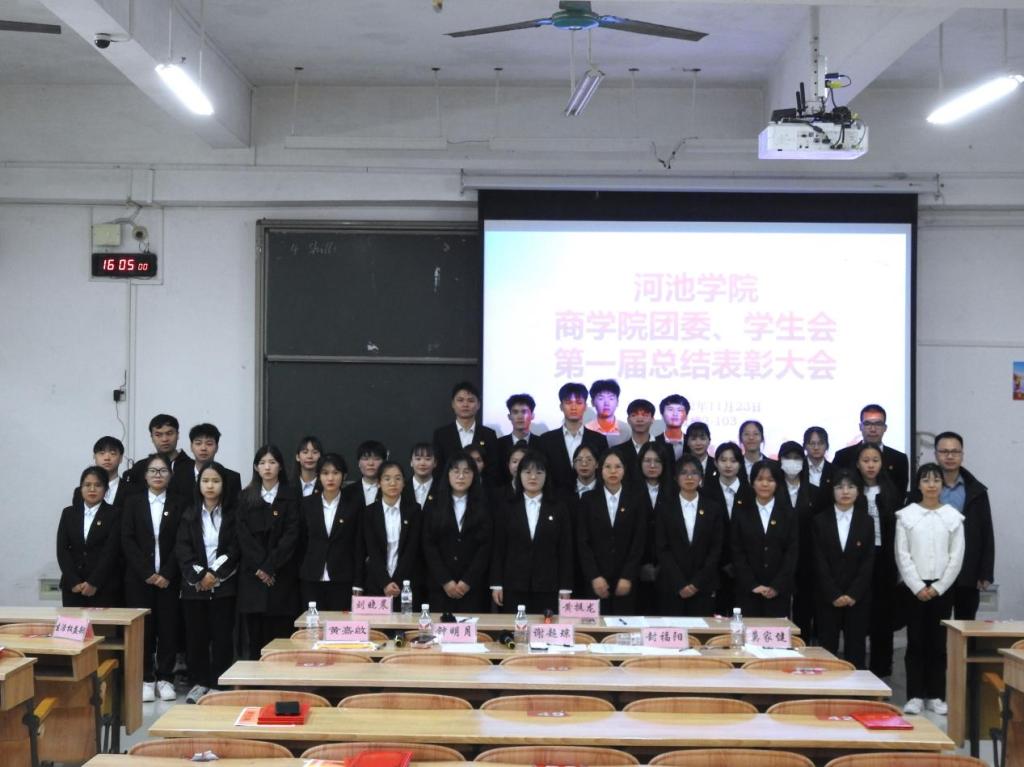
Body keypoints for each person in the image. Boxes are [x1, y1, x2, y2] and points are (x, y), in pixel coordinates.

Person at [896, 463, 965, 716]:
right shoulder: (906, 516)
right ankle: (914, 695)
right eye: (926, 480)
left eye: (936, 480)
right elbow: (902, 554)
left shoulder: (953, 517)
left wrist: (938, 587)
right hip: (914, 588)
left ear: (942, 485)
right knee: (915, 642)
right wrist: (917, 586)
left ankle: (936, 695)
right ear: (918, 485)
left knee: (938, 644)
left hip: (942, 589)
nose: (932, 485)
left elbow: (956, 556)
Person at [121, 454, 183, 702]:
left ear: (170, 475)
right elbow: (127, 539)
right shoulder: (133, 502)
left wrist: (166, 573)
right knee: (143, 631)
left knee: (168, 629)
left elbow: (183, 540)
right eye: (153, 471)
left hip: (169, 579)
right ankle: (146, 678)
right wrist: (147, 573)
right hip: (139, 580)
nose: (158, 475)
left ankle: (166, 678)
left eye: (163, 471)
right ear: (145, 476)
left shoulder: (179, 503)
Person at [175, 461, 239, 703]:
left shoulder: (233, 515)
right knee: (196, 638)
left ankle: (219, 685)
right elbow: (183, 550)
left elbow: (234, 549)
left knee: (222, 638)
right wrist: (201, 576)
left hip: (224, 588)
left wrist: (214, 574)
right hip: (194, 588)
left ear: (223, 484)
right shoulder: (189, 514)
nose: (210, 486)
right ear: (199, 484)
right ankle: (199, 683)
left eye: (215, 481)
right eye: (205, 481)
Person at [236, 445, 301, 660]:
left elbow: (292, 535)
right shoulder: (245, 496)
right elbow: (243, 536)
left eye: (272, 462)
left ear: (280, 466)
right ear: (256, 467)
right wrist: (261, 567)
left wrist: (270, 566)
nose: (267, 467)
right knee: (255, 638)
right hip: (253, 577)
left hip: (281, 575)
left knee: (281, 638)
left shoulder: (291, 496)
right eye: (262, 463)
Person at [491, 450, 574, 613]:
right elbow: (498, 548)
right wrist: (496, 584)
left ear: (546, 476)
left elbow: (565, 549)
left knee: (545, 627)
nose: (533, 477)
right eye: (527, 472)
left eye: (539, 472)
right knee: (515, 627)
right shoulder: (507, 507)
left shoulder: (559, 508)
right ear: (519, 475)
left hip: (548, 585)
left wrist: (565, 587)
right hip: (513, 584)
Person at [812, 467, 875, 669]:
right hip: (827, 596)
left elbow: (868, 561)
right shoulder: (820, 520)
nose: (845, 492)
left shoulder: (867, 521)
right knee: (827, 649)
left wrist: (853, 593)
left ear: (859, 490)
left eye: (851, 487)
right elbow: (819, 560)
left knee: (856, 648)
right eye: (840, 487)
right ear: (832, 490)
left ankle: (855, 687)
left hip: (857, 598)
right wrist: (833, 593)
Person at [853, 442, 903, 678]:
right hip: (857, 559)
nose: (870, 465)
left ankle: (881, 668)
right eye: (865, 460)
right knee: (859, 613)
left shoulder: (891, 491)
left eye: (875, 460)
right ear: (858, 464)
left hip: (885, 559)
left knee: (883, 614)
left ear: (882, 464)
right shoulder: (851, 490)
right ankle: (856, 667)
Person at [933, 431, 994, 620]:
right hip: (934, 570)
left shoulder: (976, 490)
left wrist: (985, 572)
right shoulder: (924, 487)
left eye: (955, 451)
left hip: (968, 569)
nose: (950, 456)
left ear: (962, 455)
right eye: (944, 451)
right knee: (935, 626)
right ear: (936, 455)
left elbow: (986, 532)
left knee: (966, 625)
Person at [576, 450, 646, 615]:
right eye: (608, 467)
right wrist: (594, 576)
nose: (613, 471)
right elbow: (582, 541)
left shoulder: (636, 499)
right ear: (600, 469)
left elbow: (639, 540)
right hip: (596, 579)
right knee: (595, 625)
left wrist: (628, 576)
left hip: (626, 580)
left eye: (617, 467)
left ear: (624, 469)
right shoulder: (588, 499)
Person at [422, 452, 492, 612]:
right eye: (456, 471)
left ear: (474, 475)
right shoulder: (434, 505)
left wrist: (467, 581)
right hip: (440, 587)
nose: (461, 476)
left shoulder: (484, 505)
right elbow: (428, 545)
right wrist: (446, 581)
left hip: (474, 588)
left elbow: (486, 547)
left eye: (466, 472)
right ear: (447, 474)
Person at [657, 455, 725, 616]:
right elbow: (662, 548)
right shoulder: (665, 508)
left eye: (694, 473)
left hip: (704, 586)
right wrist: (679, 583)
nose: (689, 477)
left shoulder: (713, 508)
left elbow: (716, 549)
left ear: (701, 477)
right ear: (676, 478)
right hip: (672, 586)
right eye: (684, 473)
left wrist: (696, 583)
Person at [730, 460, 798, 618]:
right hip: (748, 591)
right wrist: (752, 584)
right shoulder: (741, 512)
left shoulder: (788, 513)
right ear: (752, 482)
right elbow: (736, 551)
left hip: (779, 592)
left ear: (777, 483)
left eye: (770, 480)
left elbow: (792, 553)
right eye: (760, 479)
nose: (765, 484)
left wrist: (777, 586)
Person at [298, 453, 364, 611]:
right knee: (313, 623)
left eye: (336, 473)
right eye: (325, 473)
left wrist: (358, 582)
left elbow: (359, 546)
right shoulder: (307, 504)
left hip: (343, 578)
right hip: (311, 578)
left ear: (344, 476)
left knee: (339, 623)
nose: (330, 478)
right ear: (318, 476)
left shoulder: (354, 505)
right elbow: (301, 542)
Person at [57, 466, 122, 607]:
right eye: (87, 485)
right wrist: (73, 580)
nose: (92, 489)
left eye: (98, 485)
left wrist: (94, 582)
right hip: (73, 587)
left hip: (103, 586)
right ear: (81, 488)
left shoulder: (114, 514)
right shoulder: (68, 513)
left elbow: (111, 551)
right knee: (73, 621)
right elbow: (62, 550)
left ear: (106, 489)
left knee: (102, 623)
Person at [704, 441, 754, 615]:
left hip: (745, 566)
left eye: (733, 460)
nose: (728, 465)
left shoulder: (750, 492)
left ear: (740, 463)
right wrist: (723, 561)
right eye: (723, 460)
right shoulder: (706, 491)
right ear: (715, 462)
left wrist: (738, 562)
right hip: (715, 566)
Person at [363, 461, 422, 605]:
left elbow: (412, 549)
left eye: (398, 478)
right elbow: (372, 551)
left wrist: (397, 581)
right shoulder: (369, 512)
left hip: (406, 585)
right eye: (387, 478)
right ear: (379, 483)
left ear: (404, 483)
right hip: (377, 584)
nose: (393, 483)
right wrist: (385, 582)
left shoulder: (414, 511)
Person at [536, 382, 608, 495]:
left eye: (579, 403)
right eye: (568, 402)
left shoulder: (599, 440)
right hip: (555, 499)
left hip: (591, 498)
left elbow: (603, 473)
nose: (573, 407)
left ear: (585, 406)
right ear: (561, 406)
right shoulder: (546, 440)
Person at [778, 440, 816, 641]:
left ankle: (803, 644)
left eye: (796, 458)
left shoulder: (814, 492)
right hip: (778, 559)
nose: (792, 462)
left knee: (804, 609)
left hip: (806, 560)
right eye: (787, 458)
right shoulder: (773, 490)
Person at [432, 381, 499, 487]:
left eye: (471, 400)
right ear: (453, 404)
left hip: (482, 492)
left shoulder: (489, 435)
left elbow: (493, 468)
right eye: (460, 400)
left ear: (478, 405)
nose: (465, 405)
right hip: (449, 491)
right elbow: (438, 468)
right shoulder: (441, 435)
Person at [833, 404, 910, 494]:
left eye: (878, 424)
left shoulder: (899, 459)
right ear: (860, 427)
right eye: (867, 424)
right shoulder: (843, 456)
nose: (873, 429)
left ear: (885, 428)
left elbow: (900, 493)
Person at [635, 441, 670, 614]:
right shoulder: (629, 490)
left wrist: (663, 566)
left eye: (657, 461)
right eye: (647, 461)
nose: (652, 465)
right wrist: (640, 565)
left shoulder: (674, 491)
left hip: (669, 569)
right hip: (636, 567)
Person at [171, 423, 242, 508]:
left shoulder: (232, 478)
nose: (203, 448)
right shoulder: (177, 477)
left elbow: (236, 511)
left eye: (209, 444)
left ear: (217, 447)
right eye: (198, 443)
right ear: (191, 447)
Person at [127, 414, 193, 499]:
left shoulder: (192, 467)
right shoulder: (140, 468)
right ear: (152, 437)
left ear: (178, 435)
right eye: (158, 435)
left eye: (169, 433)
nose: (164, 439)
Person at [613, 398, 663, 485]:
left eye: (645, 415)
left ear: (652, 419)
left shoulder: (665, 448)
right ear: (628, 420)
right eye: (634, 415)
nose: (640, 419)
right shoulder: (617, 451)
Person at [497, 393, 537, 484]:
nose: (520, 416)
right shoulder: (498, 444)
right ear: (509, 416)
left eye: (524, 412)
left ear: (532, 415)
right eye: (515, 412)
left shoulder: (542, 443)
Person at [340, 440, 386, 508]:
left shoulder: (392, 489)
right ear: (359, 463)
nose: (371, 463)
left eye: (376, 459)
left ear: (384, 462)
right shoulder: (346, 492)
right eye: (365, 459)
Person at [585, 379, 628, 446]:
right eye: (601, 398)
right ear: (592, 402)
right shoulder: (586, 429)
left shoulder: (627, 429)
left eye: (611, 398)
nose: (606, 403)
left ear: (617, 402)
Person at [654, 394, 690, 462]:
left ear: (686, 416)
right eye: (670, 409)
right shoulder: (654, 442)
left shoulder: (692, 443)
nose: (675, 414)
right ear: (662, 415)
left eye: (680, 410)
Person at [405, 442, 437, 509]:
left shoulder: (442, 489)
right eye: (418, 459)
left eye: (427, 459)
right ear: (411, 462)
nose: (422, 463)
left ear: (435, 463)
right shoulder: (402, 488)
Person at [803, 426, 833, 494]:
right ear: (805, 446)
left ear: (827, 446)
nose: (816, 447)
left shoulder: (834, 471)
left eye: (820, 443)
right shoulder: (798, 469)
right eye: (812, 443)